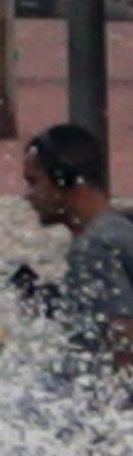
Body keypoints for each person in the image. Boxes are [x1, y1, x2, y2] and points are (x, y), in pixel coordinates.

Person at [16, 122, 133, 393]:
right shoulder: (120, 225)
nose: (27, 195)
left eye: (34, 182)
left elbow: (125, 345)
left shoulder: (93, 249)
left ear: (66, 180)